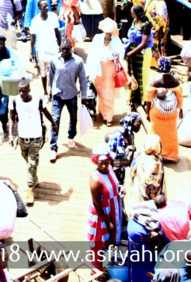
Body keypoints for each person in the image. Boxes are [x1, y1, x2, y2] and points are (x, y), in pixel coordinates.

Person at [8, 77, 58, 206]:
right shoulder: (14, 101)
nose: (21, 93)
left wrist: (54, 124)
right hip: (22, 136)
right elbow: (12, 118)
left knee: (32, 163)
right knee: (26, 158)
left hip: (36, 136)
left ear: (29, 90)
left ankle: (30, 188)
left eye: (24, 91)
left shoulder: (38, 100)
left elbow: (46, 112)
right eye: (19, 91)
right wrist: (10, 135)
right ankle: (34, 177)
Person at [48, 39, 88, 163]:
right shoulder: (54, 60)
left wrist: (84, 96)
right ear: (60, 48)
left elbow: (82, 80)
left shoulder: (78, 61)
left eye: (67, 48)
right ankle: (53, 147)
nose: (65, 51)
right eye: (63, 48)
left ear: (71, 48)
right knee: (55, 120)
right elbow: (51, 76)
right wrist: (50, 90)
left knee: (73, 118)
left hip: (71, 94)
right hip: (58, 95)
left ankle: (71, 136)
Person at [87, 143, 123, 271]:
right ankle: (96, 270)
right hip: (102, 215)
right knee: (99, 243)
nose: (103, 166)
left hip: (114, 210)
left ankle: (107, 265)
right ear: (95, 162)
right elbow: (97, 203)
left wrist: (120, 188)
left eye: (106, 162)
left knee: (109, 241)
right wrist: (107, 222)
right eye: (100, 163)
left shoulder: (110, 170)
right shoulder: (95, 179)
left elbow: (114, 185)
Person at [87, 18, 127, 126]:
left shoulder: (116, 40)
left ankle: (109, 116)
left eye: (110, 33)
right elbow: (92, 54)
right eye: (106, 33)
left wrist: (116, 53)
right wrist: (90, 71)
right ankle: (102, 110)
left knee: (108, 92)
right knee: (99, 91)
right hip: (98, 68)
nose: (108, 36)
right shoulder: (97, 38)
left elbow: (120, 52)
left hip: (109, 68)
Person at [29, 0, 61, 93]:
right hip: (41, 49)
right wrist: (31, 52)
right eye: (44, 6)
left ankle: (52, 89)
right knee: (43, 73)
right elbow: (33, 38)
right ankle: (45, 92)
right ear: (39, 8)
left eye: (47, 6)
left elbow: (56, 31)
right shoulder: (35, 20)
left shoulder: (53, 16)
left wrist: (60, 43)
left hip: (53, 47)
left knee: (55, 70)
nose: (47, 8)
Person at [125, 5, 153, 113]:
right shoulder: (134, 22)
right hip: (132, 53)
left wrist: (131, 52)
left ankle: (143, 100)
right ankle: (134, 98)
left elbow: (144, 43)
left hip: (142, 53)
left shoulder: (146, 25)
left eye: (132, 12)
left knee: (142, 75)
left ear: (136, 13)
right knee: (133, 74)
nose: (131, 14)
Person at [149, 85, 183, 163]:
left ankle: (155, 153)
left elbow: (149, 98)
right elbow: (179, 97)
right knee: (171, 134)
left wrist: (148, 112)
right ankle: (172, 156)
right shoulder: (174, 82)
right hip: (171, 114)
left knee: (155, 133)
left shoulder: (156, 82)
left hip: (156, 113)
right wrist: (181, 109)